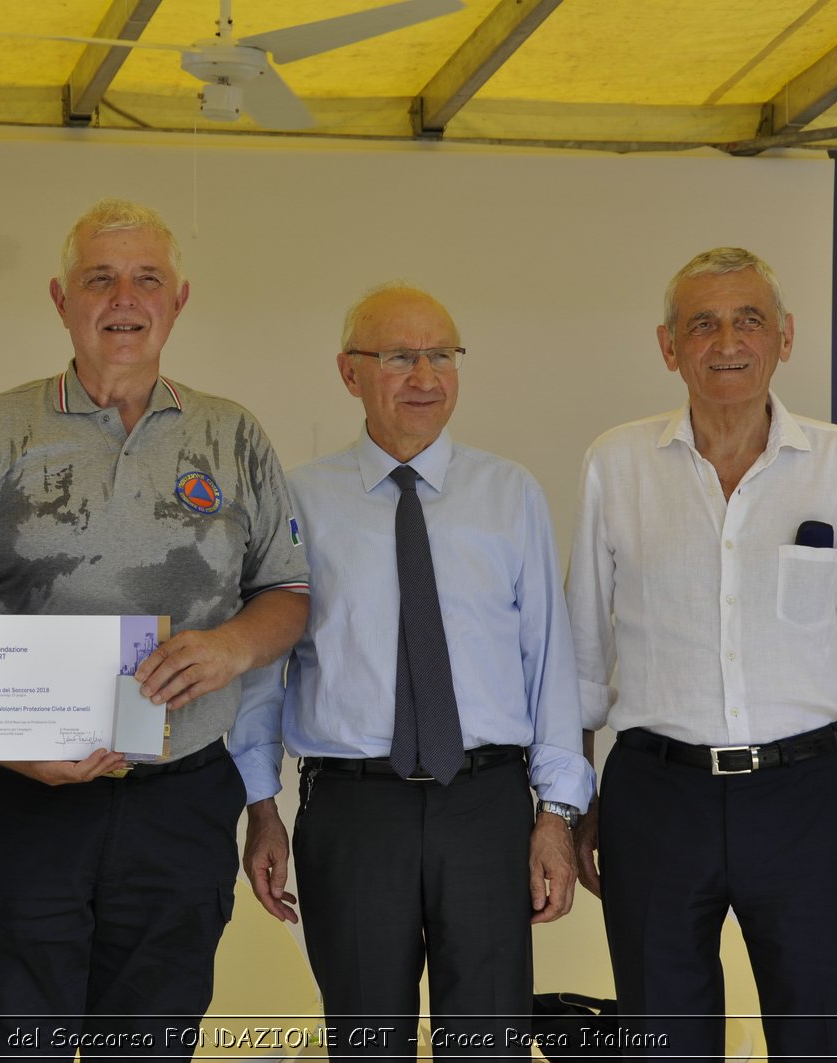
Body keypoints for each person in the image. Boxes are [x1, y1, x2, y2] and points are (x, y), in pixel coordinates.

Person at [0, 198, 309, 1059]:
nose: (124, 297)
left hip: (181, 797)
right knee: (20, 1039)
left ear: (179, 300)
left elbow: (288, 591)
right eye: (100, 278)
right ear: (61, 299)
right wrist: (2, 733)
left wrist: (232, 645)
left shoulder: (232, 436)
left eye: (146, 278)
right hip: (26, 801)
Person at [567, 246, 837, 1059]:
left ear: (785, 337)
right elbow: (583, 649)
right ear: (669, 346)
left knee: (822, 1040)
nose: (727, 341)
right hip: (655, 797)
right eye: (703, 324)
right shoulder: (614, 465)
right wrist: (566, 800)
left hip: (804, 799)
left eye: (748, 319)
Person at [230, 283, 592, 1058]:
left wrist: (557, 816)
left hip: (486, 806)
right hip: (354, 813)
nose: (425, 375)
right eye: (399, 356)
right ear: (348, 371)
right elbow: (265, 669)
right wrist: (261, 805)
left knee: (490, 1040)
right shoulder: (300, 500)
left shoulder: (511, 495)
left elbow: (550, 666)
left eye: (442, 355)